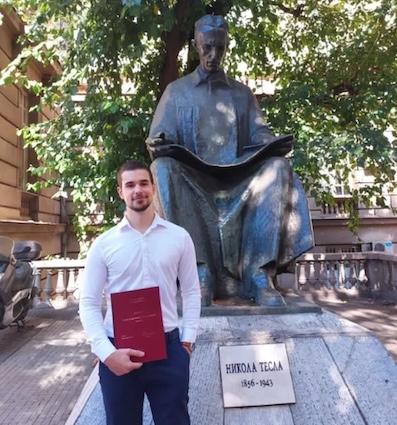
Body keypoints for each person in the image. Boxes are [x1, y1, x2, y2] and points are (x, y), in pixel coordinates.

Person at [146, 14, 314, 307]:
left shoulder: (241, 93)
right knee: (162, 168)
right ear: (196, 44)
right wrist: (160, 142)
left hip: (239, 182)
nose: (212, 55)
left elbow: (260, 134)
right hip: (196, 180)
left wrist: (271, 144)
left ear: (226, 48)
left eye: (219, 49)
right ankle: (199, 272)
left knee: (277, 167)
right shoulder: (177, 92)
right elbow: (159, 137)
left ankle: (258, 273)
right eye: (207, 47)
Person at [79, 159, 201, 425]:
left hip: (169, 350)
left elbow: (192, 291)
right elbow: (87, 302)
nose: (138, 190)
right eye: (130, 184)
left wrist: (188, 340)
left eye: (143, 183)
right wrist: (105, 352)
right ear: (120, 191)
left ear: (153, 188)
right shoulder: (104, 244)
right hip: (117, 350)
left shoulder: (179, 237)